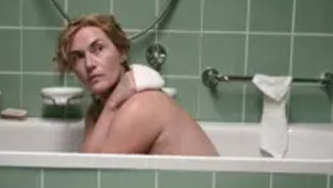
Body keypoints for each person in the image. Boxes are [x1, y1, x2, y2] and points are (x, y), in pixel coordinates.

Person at [53, 14, 219, 157]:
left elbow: (95, 174)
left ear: (122, 53)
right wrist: (111, 106)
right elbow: (85, 165)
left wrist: (112, 105)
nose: (89, 64)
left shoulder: (142, 105)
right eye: (78, 57)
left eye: (99, 49)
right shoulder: (97, 110)